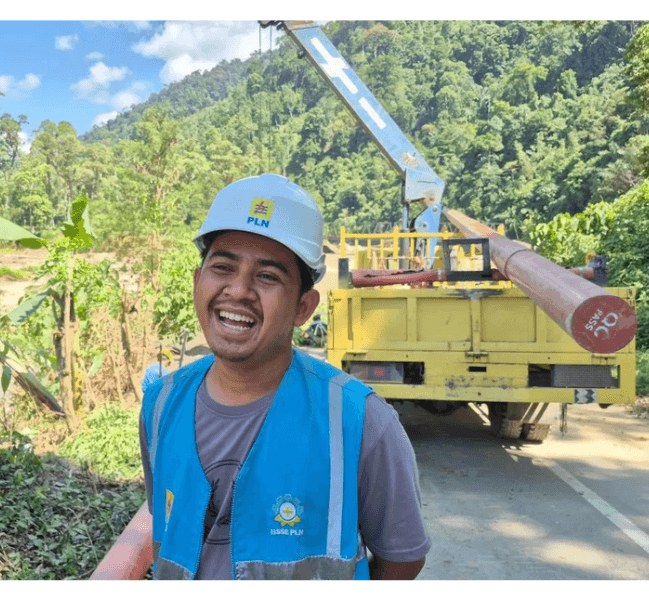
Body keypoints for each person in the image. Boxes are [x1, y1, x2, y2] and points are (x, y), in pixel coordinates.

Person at [102, 173, 430, 580]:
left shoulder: (361, 421)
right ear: (196, 283)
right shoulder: (161, 403)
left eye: (267, 276)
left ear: (303, 307)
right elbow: (167, 532)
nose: (237, 291)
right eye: (222, 267)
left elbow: (403, 558)